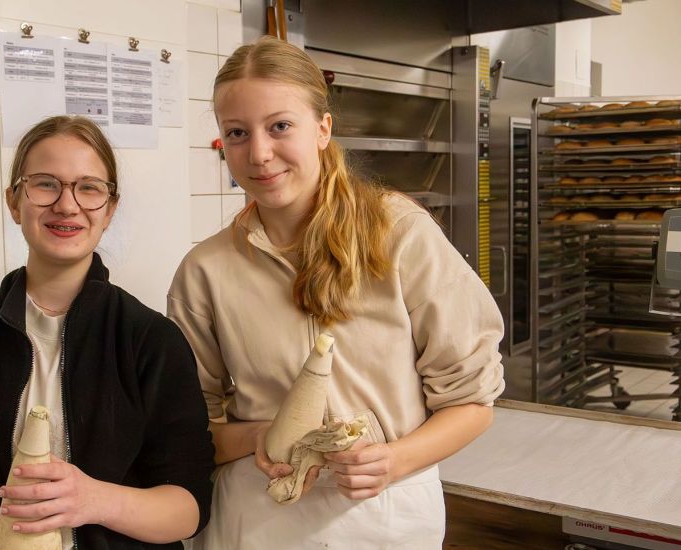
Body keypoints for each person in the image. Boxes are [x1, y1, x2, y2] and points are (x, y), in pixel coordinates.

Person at [168, 36, 505, 549]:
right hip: (258, 521)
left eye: (280, 126)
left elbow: (473, 403)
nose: (259, 153)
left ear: (323, 128)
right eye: (237, 133)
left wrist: (394, 461)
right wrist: (260, 436)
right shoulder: (206, 270)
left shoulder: (401, 235)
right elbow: (189, 427)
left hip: (383, 517)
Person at [0, 115, 215, 550]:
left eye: (89, 188)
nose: (67, 205)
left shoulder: (151, 341)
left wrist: (94, 501)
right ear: (14, 202)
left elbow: (189, 505)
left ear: (110, 210)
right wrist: (2, 541)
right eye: (45, 184)